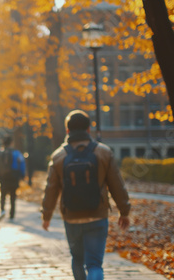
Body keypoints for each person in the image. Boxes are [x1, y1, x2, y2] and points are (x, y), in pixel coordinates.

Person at [41, 110, 131, 280]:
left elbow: (51, 189)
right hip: (97, 216)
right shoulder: (104, 152)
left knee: (77, 260)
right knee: (95, 264)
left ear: (68, 131)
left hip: (72, 218)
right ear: (89, 130)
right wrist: (124, 211)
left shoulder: (59, 156)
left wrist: (46, 216)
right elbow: (117, 185)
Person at [0, 136, 26, 221]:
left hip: (3, 177)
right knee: (13, 196)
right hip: (14, 177)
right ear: (11, 143)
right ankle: (12, 214)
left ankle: (2, 211)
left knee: (3, 195)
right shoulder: (16, 153)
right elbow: (22, 163)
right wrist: (22, 175)